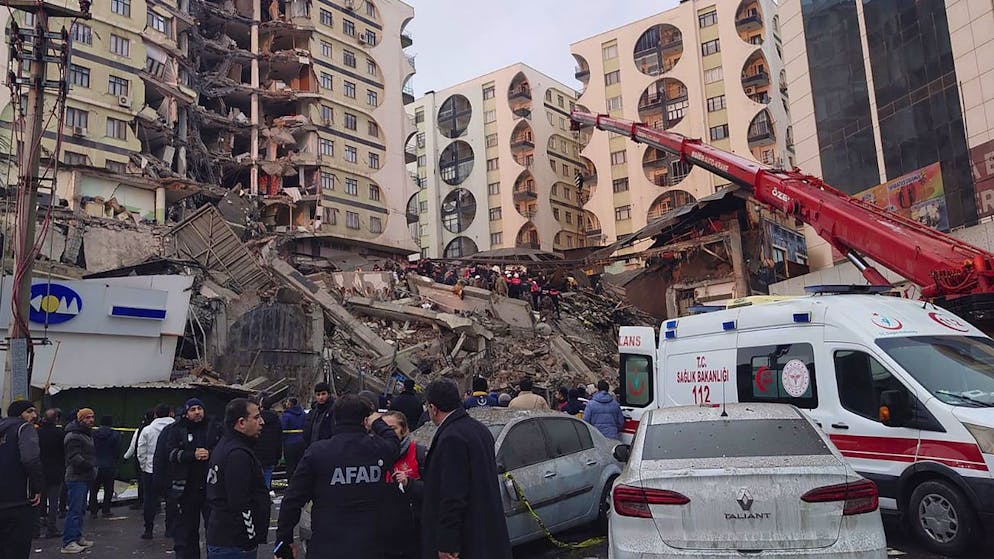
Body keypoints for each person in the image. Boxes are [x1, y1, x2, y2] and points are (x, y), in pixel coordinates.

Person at [275, 394, 400, 559]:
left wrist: (284, 539)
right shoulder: (378, 448)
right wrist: (377, 421)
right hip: (370, 544)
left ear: (335, 419)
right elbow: (393, 441)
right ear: (364, 421)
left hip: (328, 543)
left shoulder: (318, 452)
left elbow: (292, 499)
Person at [420, 380, 512, 559]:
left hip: (467, 537)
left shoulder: (451, 437)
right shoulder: (479, 429)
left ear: (433, 408)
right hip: (485, 529)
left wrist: (447, 541)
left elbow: (452, 494)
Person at [206, 398, 270, 559]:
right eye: (256, 418)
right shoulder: (237, 455)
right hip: (234, 543)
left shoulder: (227, 445)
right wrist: (250, 536)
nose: (262, 422)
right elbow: (240, 503)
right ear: (241, 423)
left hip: (225, 538)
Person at [166, 398, 222, 559]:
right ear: (186, 412)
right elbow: (170, 453)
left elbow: (223, 447)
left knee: (215, 530)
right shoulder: (177, 429)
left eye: (199, 408)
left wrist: (210, 453)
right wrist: (191, 455)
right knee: (187, 532)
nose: (197, 412)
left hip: (211, 487)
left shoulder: (214, 426)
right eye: (192, 409)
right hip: (186, 489)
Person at [0, 400, 43, 559]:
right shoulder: (24, 428)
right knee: (18, 548)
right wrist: (37, 487)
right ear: (19, 413)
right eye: (29, 411)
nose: (34, 415)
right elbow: (30, 459)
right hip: (19, 499)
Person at [137, 404, 176, 540]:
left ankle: (148, 530)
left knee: (150, 500)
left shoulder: (147, 430)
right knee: (171, 500)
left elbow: (141, 450)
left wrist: (144, 466)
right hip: (171, 470)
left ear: (155, 415)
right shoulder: (176, 429)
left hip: (150, 470)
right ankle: (170, 529)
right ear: (171, 413)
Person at [62, 407, 97, 554]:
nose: (91, 420)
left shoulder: (86, 434)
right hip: (76, 477)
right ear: (80, 419)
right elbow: (74, 457)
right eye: (87, 417)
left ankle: (77, 536)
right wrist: (89, 466)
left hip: (84, 477)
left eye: (92, 417)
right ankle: (68, 542)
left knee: (81, 509)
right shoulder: (74, 436)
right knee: (74, 510)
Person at [37, 408, 65, 539]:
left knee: (38, 500)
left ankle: (36, 527)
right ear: (56, 419)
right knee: (54, 502)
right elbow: (63, 453)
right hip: (56, 471)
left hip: (40, 470)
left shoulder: (37, 432)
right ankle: (51, 528)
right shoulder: (60, 433)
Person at [123, 409, 155, 511]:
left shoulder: (141, 429)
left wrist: (126, 457)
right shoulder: (159, 429)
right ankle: (155, 503)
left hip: (141, 461)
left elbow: (134, 446)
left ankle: (141, 501)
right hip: (155, 461)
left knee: (142, 483)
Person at [89, 415, 121, 518]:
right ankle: (106, 510)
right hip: (109, 464)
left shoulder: (93, 434)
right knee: (108, 489)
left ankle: (93, 511)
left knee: (94, 489)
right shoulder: (115, 435)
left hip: (96, 464)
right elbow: (117, 451)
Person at [253, 395, 282, 490]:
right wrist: (278, 456)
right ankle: (265, 497)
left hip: (257, 452)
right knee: (267, 477)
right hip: (271, 453)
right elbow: (279, 439)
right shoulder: (276, 419)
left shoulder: (256, 419)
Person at [280, 398, 306, 481]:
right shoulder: (303, 414)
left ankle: (291, 484)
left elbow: (283, 428)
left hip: (290, 443)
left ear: (290, 404)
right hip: (302, 442)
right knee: (300, 465)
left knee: (290, 465)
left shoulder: (286, 415)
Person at [302, 382, 334, 448]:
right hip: (313, 448)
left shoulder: (333, 410)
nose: (321, 397)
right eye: (318, 395)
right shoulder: (313, 412)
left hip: (327, 449)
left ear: (329, 394)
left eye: (323, 394)